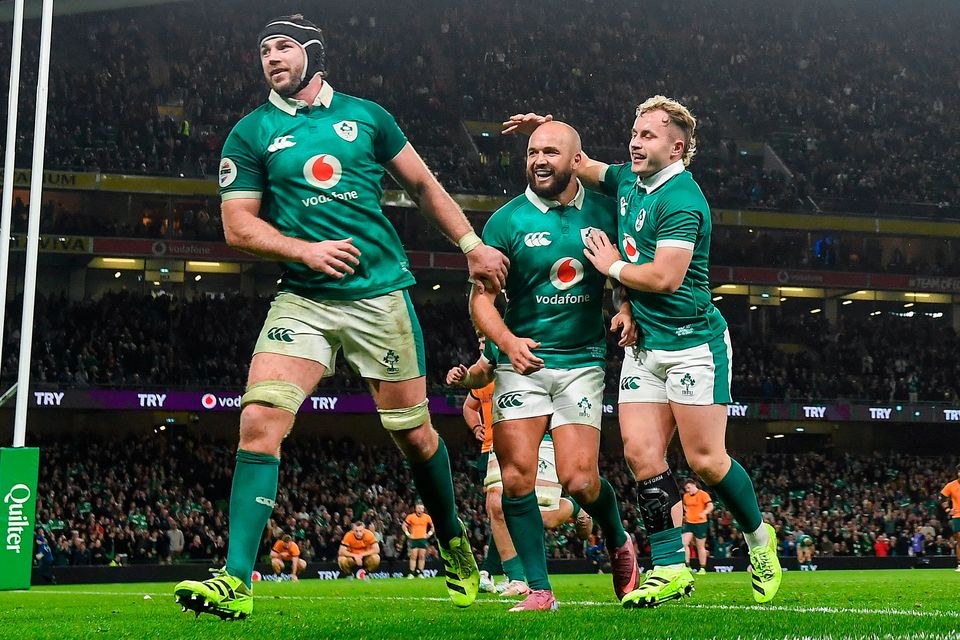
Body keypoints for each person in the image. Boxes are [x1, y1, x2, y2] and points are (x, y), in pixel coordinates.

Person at [174, 13, 507, 620]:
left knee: (413, 434)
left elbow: (426, 186)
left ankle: (454, 541)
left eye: (283, 46)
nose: (272, 57)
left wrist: (471, 245)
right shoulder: (250, 133)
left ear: (311, 52)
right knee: (259, 421)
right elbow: (237, 224)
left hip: (380, 295)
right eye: (263, 50)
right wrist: (303, 251)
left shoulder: (368, 117)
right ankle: (235, 578)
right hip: (302, 298)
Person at [504, 96, 782, 608]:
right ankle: (670, 568)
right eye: (634, 133)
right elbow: (580, 162)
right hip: (644, 348)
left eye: (647, 136)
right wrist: (548, 129)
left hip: (693, 345)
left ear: (676, 147)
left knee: (706, 461)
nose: (635, 142)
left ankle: (759, 541)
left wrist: (611, 269)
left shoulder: (682, 200)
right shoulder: (628, 181)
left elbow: (664, 277)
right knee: (640, 455)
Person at [470, 120, 637, 612]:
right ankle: (540, 590)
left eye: (551, 152)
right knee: (516, 479)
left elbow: (623, 271)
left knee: (579, 481)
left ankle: (616, 535)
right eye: (533, 152)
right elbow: (481, 301)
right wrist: (506, 341)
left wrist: (624, 304)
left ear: (575, 160)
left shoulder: (608, 211)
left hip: (582, 361)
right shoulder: (505, 221)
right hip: (521, 364)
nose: (540, 160)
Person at [447, 338, 594, 599]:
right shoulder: (492, 357)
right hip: (502, 438)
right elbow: (472, 396)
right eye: (479, 338)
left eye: (484, 338)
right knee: (496, 504)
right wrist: (465, 381)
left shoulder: (539, 339)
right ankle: (515, 578)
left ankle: (574, 506)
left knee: (543, 517)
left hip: (544, 434)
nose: (482, 342)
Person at [681, 479, 713, 573]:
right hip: (689, 523)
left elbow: (710, 505)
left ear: (694, 485)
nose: (687, 490)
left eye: (688, 487)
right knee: (684, 543)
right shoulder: (686, 496)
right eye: (686, 488)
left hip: (701, 523)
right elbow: (684, 505)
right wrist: (686, 513)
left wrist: (704, 512)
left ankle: (702, 568)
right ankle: (687, 565)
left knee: (700, 546)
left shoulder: (703, 494)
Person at [402, 503, 434, 578]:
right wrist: (408, 534)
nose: (420, 510)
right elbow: (404, 525)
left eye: (422, 508)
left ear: (423, 509)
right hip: (414, 539)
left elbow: (433, 527)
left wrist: (429, 534)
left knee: (422, 556)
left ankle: (420, 572)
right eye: (419, 508)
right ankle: (411, 573)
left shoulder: (427, 517)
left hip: (423, 539)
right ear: (416, 509)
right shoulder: (411, 517)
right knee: (413, 555)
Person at [940, 465, 960, 572]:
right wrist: (948, 510)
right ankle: (959, 564)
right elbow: (942, 498)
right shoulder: (951, 485)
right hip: (957, 516)